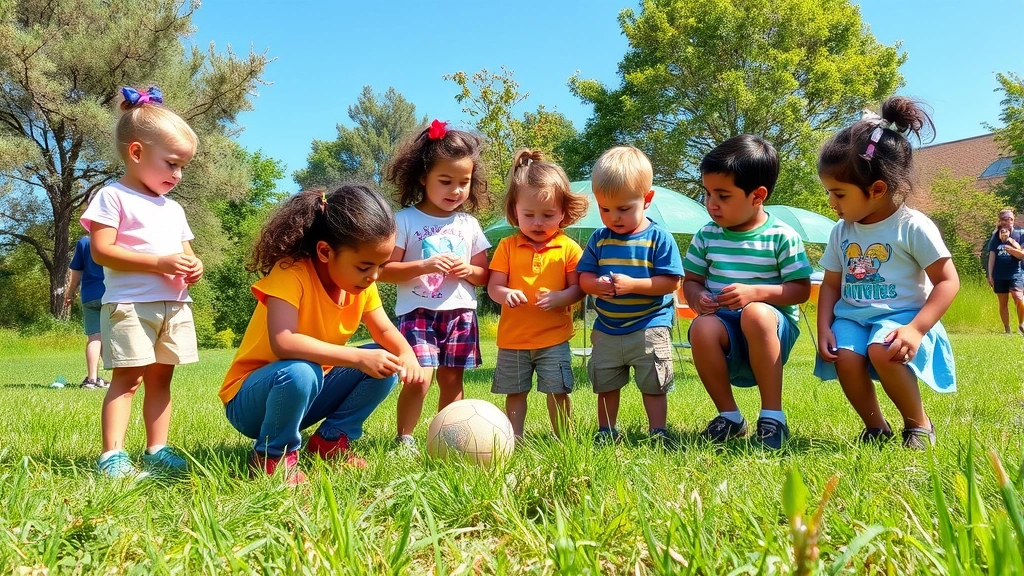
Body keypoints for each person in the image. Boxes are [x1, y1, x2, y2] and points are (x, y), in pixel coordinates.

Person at [220, 185, 427, 485]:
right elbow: (284, 342)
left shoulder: (361, 286)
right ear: (325, 252)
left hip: (307, 394)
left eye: (381, 267)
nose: (374, 277)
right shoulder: (290, 274)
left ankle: (330, 441)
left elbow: (383, 330)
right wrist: (357, 357)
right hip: (253, 402)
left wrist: (407, 356)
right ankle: (272, 456)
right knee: (301, 371)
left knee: (386, 365)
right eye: (365, 266)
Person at [814, 96, 959, 449]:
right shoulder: (842, 230)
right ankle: (876, 428)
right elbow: (832, 284)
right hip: (852, 316)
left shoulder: (912, 226)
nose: (831, 203)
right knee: (845, 357)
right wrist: (822, 328)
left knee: (883, 349)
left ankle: (919, 425)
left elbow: (947, 281)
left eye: (839, 193)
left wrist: (916, 329)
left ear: (877, 189)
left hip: (902, 316)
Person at [81, 86, 202, 478]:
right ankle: (112, 455)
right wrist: (158, 263)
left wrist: (193, 266)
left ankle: (157, 448)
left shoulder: (175, 208)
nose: (178, 175)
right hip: (131, 304)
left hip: (174, 306)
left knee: (161, 380)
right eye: (171, 164)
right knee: (128, 380)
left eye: (183, 166)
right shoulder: (112, 198)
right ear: (136, 153)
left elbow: (184, 252)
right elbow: (102, 251)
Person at [683, 135, 812, 450]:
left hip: (770, 327)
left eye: (723, 195)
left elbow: (800, 290)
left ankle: (772, 417)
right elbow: (691, 280)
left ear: (757, 196)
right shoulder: (707, 235)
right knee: (700, 327)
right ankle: (729, 417)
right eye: (707, 193)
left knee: (754, 313)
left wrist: (755, 292)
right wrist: (697, 296)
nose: (711, 203)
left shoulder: (782, 236)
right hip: (725, 327)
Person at [379, 120, 491, 452]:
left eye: (463, 183)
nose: (455, 191)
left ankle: (448, 439)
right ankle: (405, 438)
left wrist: (468, 269)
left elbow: (484, 275)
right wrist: (424, 265)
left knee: (452, 378)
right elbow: (384, 271)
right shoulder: (405, 221)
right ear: (423, 178)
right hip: (418, 312)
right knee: (420, 375)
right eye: (446, 181)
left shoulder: (469, 224)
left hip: (460, 313)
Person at [577, 146, 684, 444]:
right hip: (608, 328)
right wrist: (594, 285)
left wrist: (633, 285)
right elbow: (583, 277)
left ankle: (658, 431)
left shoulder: (658, 237)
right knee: (605, 383)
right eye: (605, 209)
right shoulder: (600, 239)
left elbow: (671, 282)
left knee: (654, 383)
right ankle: (606, 431)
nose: (614, 217)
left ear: (647, 199)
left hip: (649, 326)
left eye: (624, 209)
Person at [487, 150, 588, 437]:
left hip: (553, 338)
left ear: (564, 213)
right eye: (528, 215)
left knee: (557, 391)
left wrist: (561, 298)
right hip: (514, 339)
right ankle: (514, 438)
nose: (538, 223)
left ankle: (562, 438)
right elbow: (494, 287)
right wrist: (505, 294)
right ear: (514, 211)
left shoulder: (568, 248)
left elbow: (578, 287)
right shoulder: (507, 247)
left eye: (548, 215)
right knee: (515, 392)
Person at [65, 234, 108, 389]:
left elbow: (75, 273)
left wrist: (69, 293)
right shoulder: (115, 238)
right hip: (112, 294)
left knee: (95, 338)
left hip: (90, 295)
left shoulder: (84, 242)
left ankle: (91, 380)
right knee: (112, 338)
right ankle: (119, 381)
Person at [987, 209, 1024, 335]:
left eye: (1011, 219)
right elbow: (992, 255)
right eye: (1005, 219)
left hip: (1016, 272)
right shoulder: (995, 236)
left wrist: (1009, 242)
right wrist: (990, 274)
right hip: (999, 274)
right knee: (1003, 302)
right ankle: (1007, 330)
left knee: (1018, 297)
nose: (1008, 222)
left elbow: (1022, 254)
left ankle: (1021, 325)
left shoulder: (1020, 234)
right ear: (1000, 221)